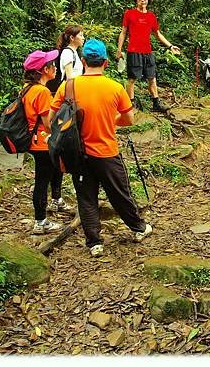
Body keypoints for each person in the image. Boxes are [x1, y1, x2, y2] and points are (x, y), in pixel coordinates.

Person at [49, 39, 153, 257]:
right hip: (106, 152)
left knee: (86, 198)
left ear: (84, 61)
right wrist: (109, 119)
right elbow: (129, 119)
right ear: (106, 63)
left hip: (77, 155)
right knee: (120, 193)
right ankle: (138, 228)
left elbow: (52, 119)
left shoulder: (68, 86)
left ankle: (94, 243)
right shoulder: (115, 88)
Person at [21, 50, 72, 234]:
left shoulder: (27, 88)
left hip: (35, 141)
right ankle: (40, 221)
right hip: (43, 142)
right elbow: (48, 124)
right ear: (44, 70)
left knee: (54, 171)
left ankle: (55, 200)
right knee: (42, 180)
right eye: (51, 64)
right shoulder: (41, 92)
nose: (55, 68)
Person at [116, 0, 181, 112]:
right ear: (136, 0)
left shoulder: (151, 16)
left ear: (148, 1)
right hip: (133, 51)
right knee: (132, 79)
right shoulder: (129, 14)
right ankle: (131, 104)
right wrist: (119, 50)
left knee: (152, 78)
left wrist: (170, 46)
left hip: (147, 52)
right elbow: (123, 32)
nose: (143, 0)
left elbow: (157, 34)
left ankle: (156, 103)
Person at [47, 25, 85, 94]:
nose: (83, 38)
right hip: (71, 92)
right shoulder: (68, 52)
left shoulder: (74, 52)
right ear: (72, 38)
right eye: (81, 35)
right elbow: (69, 78)